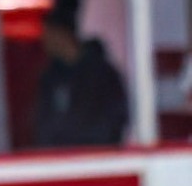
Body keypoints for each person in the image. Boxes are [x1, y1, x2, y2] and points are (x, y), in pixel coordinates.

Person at [32, 13, 128, 149]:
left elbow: (115, 117)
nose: (44, 41)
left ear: (62, 34)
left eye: (48, 34)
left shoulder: (102, 74)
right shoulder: (50, 78)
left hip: (98, 161)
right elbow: (43, 124)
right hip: (60, 163)